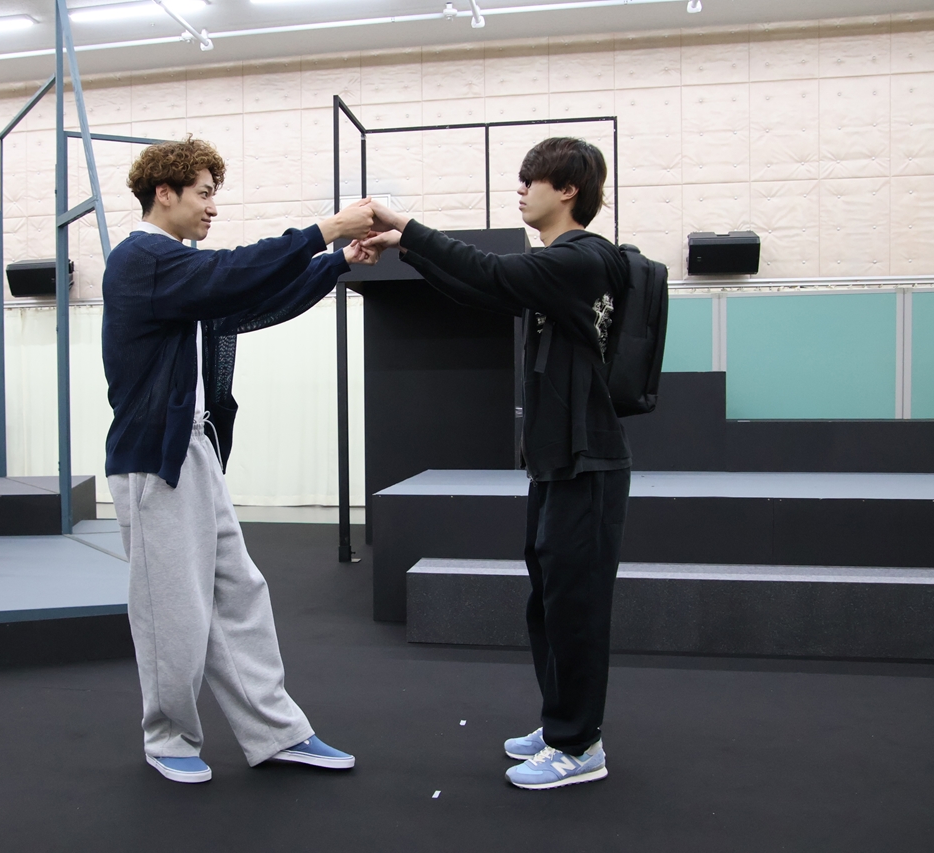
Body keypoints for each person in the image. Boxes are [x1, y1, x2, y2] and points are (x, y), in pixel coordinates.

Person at [102, 136, 380, 784]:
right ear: (164, 193)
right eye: (203, 194)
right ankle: (167, 735)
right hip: (155, 461)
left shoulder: (177, 270)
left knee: (239, 593)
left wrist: (336, 261)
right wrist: (325, 230)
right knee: (172, 609)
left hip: (193, 451)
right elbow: (233, 274)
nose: (212, 207)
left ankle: (275, 731)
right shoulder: (141, 258)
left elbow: (251, 301)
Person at [364, 137, 630, 790]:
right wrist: (408, 250)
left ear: (567, 189)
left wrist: (407, 226)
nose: (520, 190)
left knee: (575, 609)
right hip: (558, 464)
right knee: (550, 604)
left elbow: (489, 272)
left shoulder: (584, 259)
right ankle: (562, 720)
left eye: (530, 180)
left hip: (586, 465)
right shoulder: (557, 268)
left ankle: (580, 745)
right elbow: (481, 288)